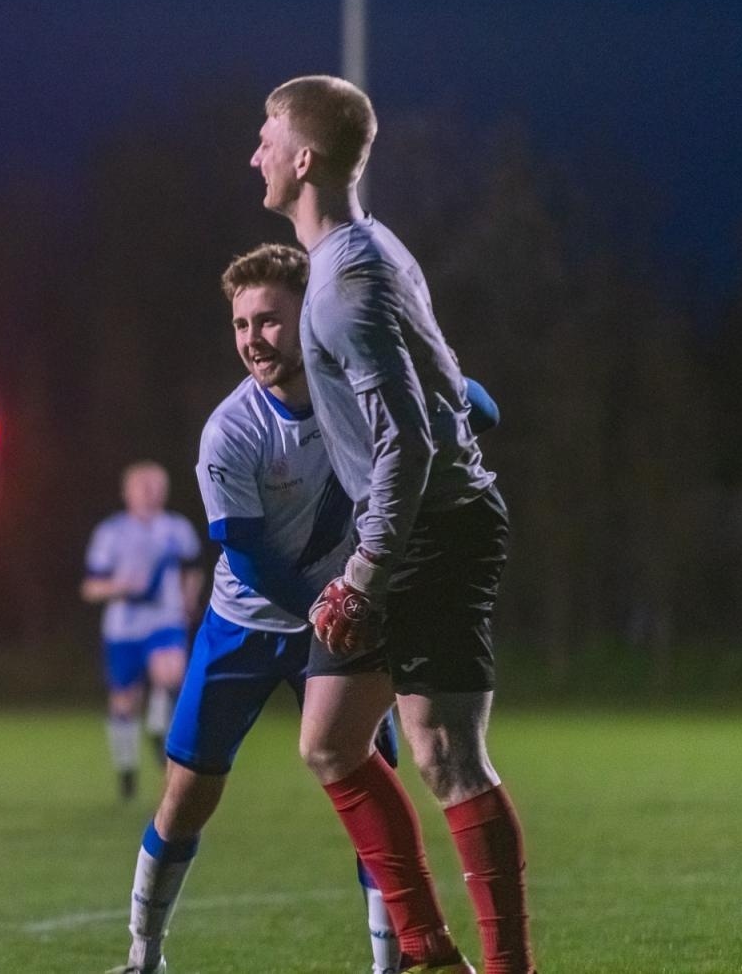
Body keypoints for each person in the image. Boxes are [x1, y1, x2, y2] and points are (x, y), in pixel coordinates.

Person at [113, 243, 501, 974]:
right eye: (240, 324)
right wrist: (337, 602)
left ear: (310, 317)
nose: (254, 338)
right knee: (187, 795)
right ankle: (145, 954)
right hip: (249, 622)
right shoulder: (231, 432)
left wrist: (437, 372)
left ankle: (392, 964)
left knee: (367, 795)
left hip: (343, 626)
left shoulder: (361, 383)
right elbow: (250, 556)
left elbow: (484, 408)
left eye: (269, 320)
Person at [251, 75, 535, 973]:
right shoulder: (374, 248)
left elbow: (407, 443)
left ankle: (507, 967)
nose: (252, 153)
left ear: (304, 159)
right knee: (330, 742)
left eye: (265, 137)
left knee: (446, 755)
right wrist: (465, 408)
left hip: (436, 528)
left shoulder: (344, 287)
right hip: (401, 521)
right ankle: (426, 952)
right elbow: (449, 383)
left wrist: (363, 575)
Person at [82, 462, 203, 800]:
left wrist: (189, 596)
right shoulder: (111, 533)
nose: (150, 492)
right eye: (143, 486)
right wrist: (117, 586)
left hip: (165, 620)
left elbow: (193, 567)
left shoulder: (175, 528)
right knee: (124, 702)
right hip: (123, 628)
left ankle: (156, 728)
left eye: (156, 486)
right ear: (127, 492)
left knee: (171, 674)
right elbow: (91, 587)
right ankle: (127, 771)